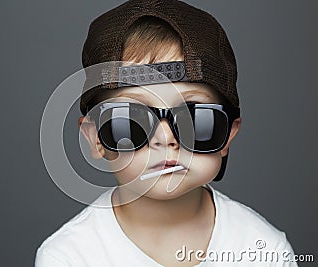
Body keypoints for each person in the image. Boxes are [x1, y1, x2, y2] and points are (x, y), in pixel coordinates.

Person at [35, 0, 297, 266]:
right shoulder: (68, 257)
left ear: (227, 133)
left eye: (193, 117)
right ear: (95, 138)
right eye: (132, 119)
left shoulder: (264, 251)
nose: (165, 138)